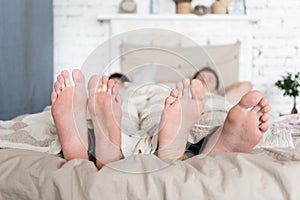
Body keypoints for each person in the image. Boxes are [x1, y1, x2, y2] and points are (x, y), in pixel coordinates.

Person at [51, 69, 270, 169]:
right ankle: (180, 150)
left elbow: (244, 87)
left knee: (209, 112)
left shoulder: (206, 95)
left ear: (215, 87)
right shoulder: (136, 88)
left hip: (172, 102)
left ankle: (95, 151)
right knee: (125, 109)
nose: (203, 81)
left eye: (209, 80)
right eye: (201, 78)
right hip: (138, 97)